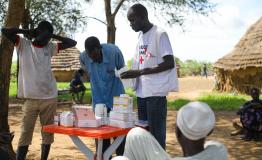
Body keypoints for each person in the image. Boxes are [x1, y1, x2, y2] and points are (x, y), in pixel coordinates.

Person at [1, 20, 77, 160]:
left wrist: (53, 36)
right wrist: (26, 32)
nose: (47, 40)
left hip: (49, 98)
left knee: (47, 134)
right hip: (31, 100)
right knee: (25, 135)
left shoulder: (50, 47)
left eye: (49, 37)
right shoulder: (23, 44)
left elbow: (73, 43)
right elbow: (4, 30)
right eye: (45, 36)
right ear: (37, 32)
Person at [121, 3, 178, 149]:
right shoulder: (140, 36)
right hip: (142, 93)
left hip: (155, 94)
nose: (130, 24)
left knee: (157, 137)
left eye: (132, 20)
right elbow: (141, 63)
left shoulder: (160, 34)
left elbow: (170, 62)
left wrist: (140, 72)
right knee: (144, 137)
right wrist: (131, 74)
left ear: (142, 17)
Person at [112, 102, 228, 160]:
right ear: (210, 131)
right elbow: (211, 145)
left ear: (177, 132)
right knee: (135, 134)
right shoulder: (220, 151)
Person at [79, 36, 126, 156]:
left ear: (99, 48)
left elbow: (123, 70)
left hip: (116, 100)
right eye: (90, 56)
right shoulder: (83, 57)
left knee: (119, 137)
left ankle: (120, 158)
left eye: (95, 55)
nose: (93, 58)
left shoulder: (114, 52)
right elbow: (86, 71)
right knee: (101, 139)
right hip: (98, 100)